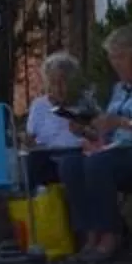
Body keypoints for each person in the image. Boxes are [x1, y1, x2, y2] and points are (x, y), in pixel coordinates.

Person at [61, 24, 132, 260]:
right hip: (119, 151)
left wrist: (124, 123)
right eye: (112, 57)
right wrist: (87, 133)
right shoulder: (119, 90)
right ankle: (90, 231)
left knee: (99, 164)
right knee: (70, 163)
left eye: (120, 56)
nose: (115, 63)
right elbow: (110, 134)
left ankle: (111, 234)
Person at [22, 51, 89, 190]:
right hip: (47, 157)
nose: (58, 88)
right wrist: (27, 141)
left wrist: (83, 131)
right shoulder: (39, 105)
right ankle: (35, 207)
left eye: (63, 82)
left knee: (71, 164)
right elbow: (31, 139)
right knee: (32, 161)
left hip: (76, 156)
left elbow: (100, 137)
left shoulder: (85, 103)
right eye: (53, 83)